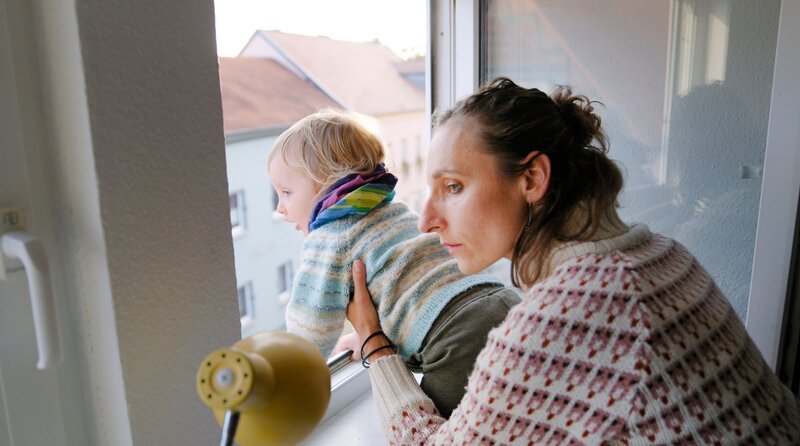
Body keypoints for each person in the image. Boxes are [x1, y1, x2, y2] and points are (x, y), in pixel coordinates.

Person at [346, 78, 800, 444]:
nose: (426, 220)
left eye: (453, 187)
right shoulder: (662, 254)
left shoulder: (570, 313)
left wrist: (374, 342)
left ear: (532, 178)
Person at [268, 109, 520, 417]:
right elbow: (406, 286)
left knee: (445, 426)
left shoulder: (328, 238)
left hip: (456, 338)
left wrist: (285, 375)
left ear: (324, 184)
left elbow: (311, 328)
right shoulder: (396, 211)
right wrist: (367, 336)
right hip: (502, 301)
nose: (280, 208)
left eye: (286, 193)